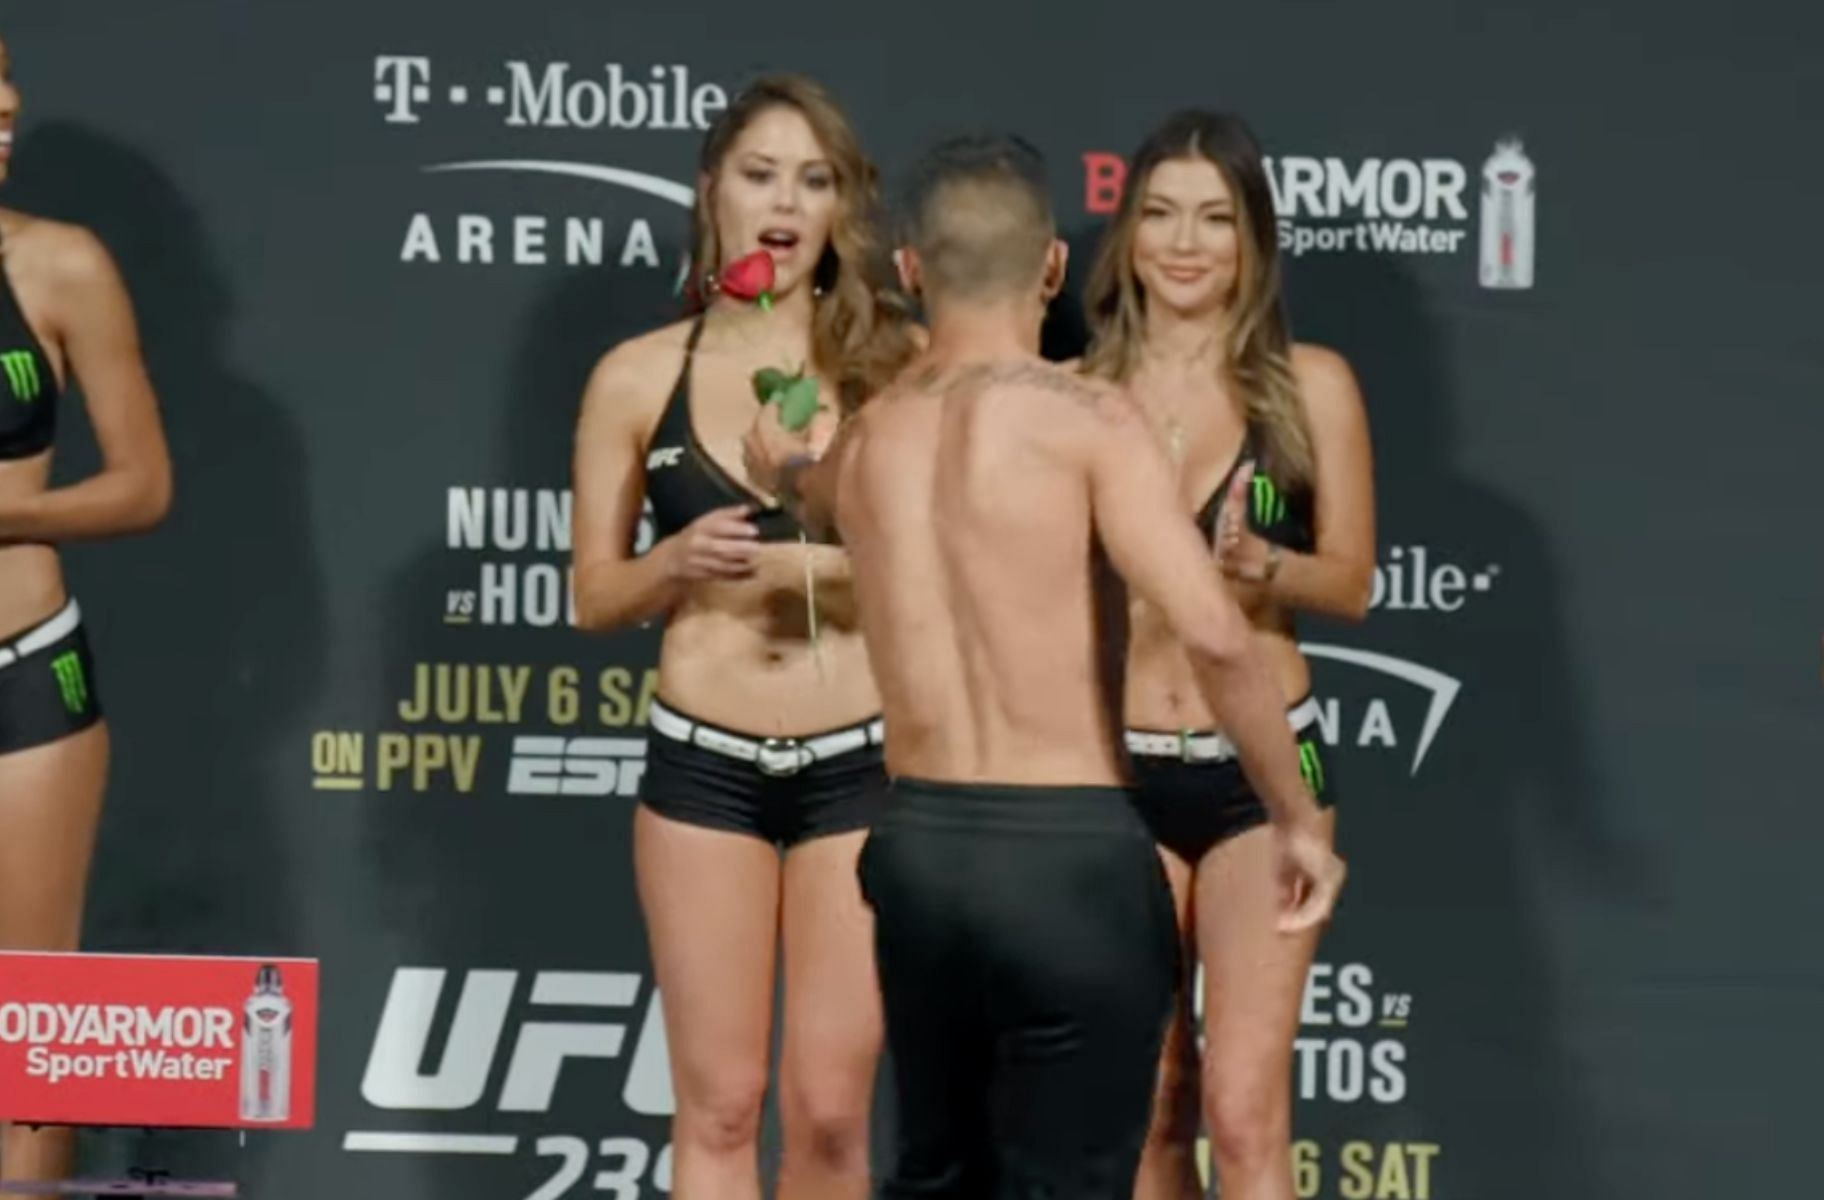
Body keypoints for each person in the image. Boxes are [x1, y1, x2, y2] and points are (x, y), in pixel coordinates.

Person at [744, 133, 1343, 1200]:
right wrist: (1300, 817)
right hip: (1069, 856)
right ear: (1053, 270)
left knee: (939, 1173)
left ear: (913, 270)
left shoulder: (874, 438)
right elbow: (1214, 633)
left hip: (920, 848)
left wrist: (781, 463)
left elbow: (810, 488)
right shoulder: (1091, 421)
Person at [569, 73, 915, 1200]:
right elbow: (593, 596)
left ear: (841, 208)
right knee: (718, 1107)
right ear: (712, 189)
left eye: (813, 181)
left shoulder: (894, 368)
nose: (785, 202)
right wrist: (671, 565)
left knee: (827, 1115)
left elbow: (954, 569)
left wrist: (826, 528)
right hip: (704, 767)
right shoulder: (636, 376)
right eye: (761, 174)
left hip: (856, 767)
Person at [1080, 110, 1376, 1200]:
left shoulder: (1310, 384)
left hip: (1276, 767)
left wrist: (1268, 572)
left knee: (1249, 1118)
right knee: (1153, 1108)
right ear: (1128, 233)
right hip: (1117, 775)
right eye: (1160, 214)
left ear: (1253, 238)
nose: (1185, 243)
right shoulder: (1073, 395)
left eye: (1214, 217)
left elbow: (1349, 579)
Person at [0, 3, 172, 1198]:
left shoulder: (61, 264)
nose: (4, 104)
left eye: (7, 77)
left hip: (24, 678)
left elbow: (141, 483)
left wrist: (6, 517)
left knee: (25, 1034)